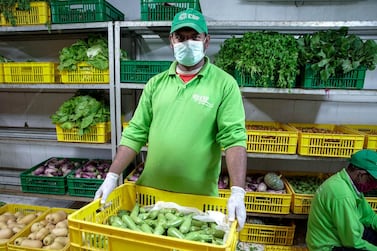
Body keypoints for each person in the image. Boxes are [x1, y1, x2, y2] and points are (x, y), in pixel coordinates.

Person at [94, 8, 247, 230]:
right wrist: (111, 175)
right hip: (150, 195)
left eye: (194, 37)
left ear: (206, 41)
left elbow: (234, 139)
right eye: (180, 37)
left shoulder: (224, 84)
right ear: (171, 41)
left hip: (199, 200)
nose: (187, 43)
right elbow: (135, 132)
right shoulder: (156, 84)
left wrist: (238, 191)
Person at [306, 149, 377, 251]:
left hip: (344, 234)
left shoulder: (350, 185)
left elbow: (369, 216)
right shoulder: (342, 194)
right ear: (360, 174)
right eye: (372, 181)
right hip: (328, 246)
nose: (374, 186)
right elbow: (352, 242)